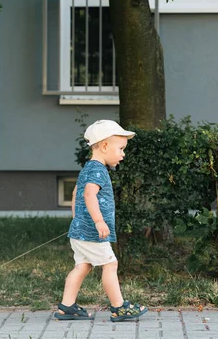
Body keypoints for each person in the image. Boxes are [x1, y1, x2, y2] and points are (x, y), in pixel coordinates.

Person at [54, 120, 148, 323]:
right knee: (110, 264)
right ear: (105, 146)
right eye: (121, 149)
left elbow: (75, 194)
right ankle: (118, 307)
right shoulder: (98, 170)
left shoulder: (89, 168)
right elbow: (89, 195)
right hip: (91, 233)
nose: (123, 154)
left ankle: (67, 306)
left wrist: (77, 220)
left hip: (81, 230)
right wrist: (97, 221)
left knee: (83, 266)